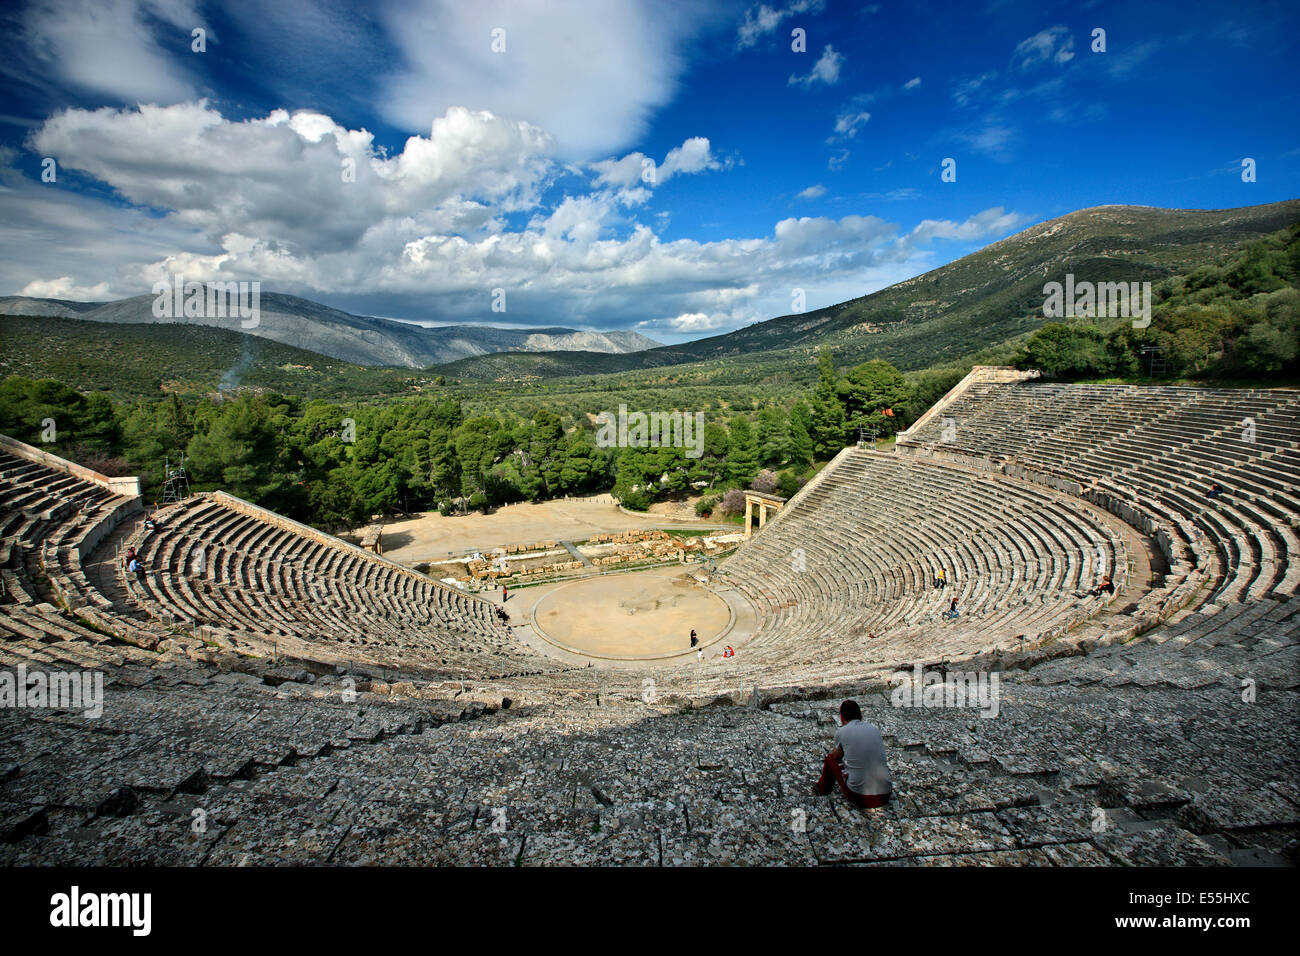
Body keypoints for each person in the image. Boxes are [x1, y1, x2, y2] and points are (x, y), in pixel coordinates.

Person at [814, 699, 892, 809]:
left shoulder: (842, 732)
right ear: (860, 715)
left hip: (860, 797)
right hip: (886, 795)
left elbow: (836, 757)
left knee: (830, 759)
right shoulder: (874, 729)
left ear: (841, 717)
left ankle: (822, 788)